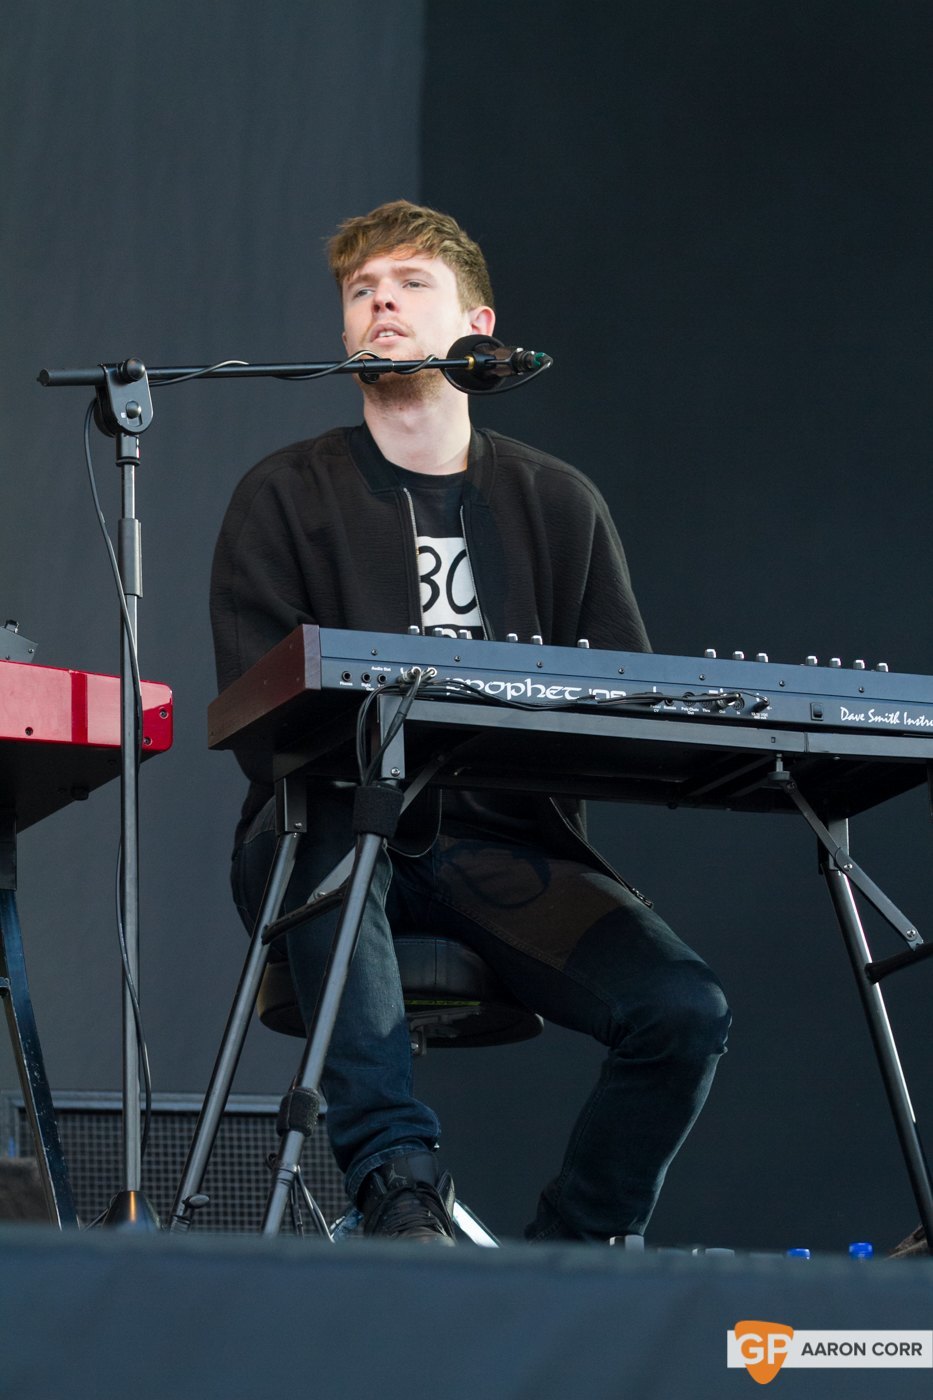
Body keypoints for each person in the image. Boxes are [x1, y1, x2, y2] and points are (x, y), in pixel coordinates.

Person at [210, 199, 730, 1245]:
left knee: (684, 1010)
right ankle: (398, 1188)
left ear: (480, 326)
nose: (381, 303)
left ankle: (573, 1254)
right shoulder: (282, 496)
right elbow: (261, 721)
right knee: (322, 836)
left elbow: (618, 702)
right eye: (361, 291)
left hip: (508, 849)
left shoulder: (558, 501)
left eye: (409, 284)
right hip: (339, 826)